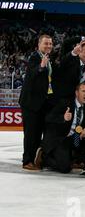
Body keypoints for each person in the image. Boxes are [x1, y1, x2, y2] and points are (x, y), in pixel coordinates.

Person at [35, 83, 85, 173]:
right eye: (83, 91)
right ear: (76, 93)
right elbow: (48, 118)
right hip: (59, 138)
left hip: (73, 138)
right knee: (65, 168)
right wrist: (63, 117)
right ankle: (44, 156)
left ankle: (76, 159)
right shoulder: (65, 103)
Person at [19, 34, 54, 170]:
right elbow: (32, 73)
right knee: (30, 134)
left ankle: (33, 159)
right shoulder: (35, 57)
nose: (49, 46)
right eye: (46, 43)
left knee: (37, 133)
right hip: (31, 104)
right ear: (39, 45)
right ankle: (27, 161)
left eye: (50, 43)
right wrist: (41, 66)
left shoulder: (47, 58)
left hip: (41, 103)